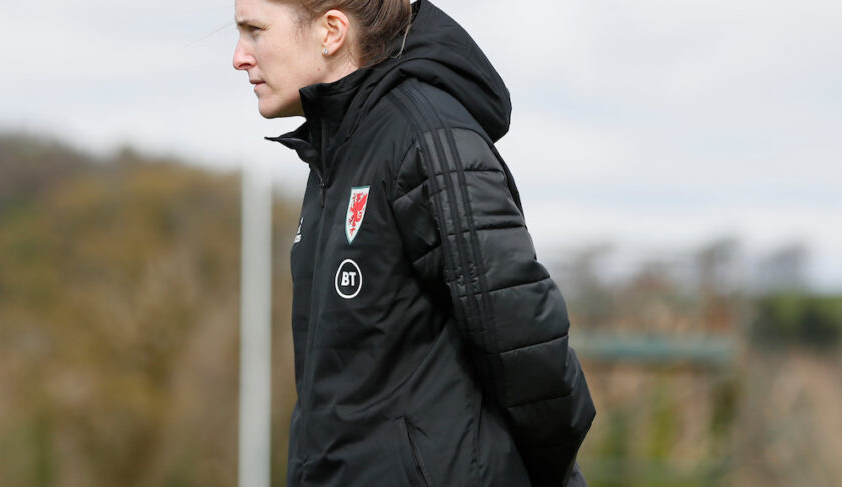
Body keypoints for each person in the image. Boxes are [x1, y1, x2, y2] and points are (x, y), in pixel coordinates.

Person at [233, 0, 595, 485]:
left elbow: (531, 355)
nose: (239, 56)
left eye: (254, 30)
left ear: (331, 31)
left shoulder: (424, 136)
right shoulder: (338, 149)